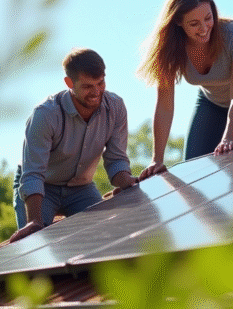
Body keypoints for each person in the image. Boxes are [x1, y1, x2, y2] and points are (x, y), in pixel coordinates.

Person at [136, 0, 233, 180]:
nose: (204, 28)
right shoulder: (169, 50)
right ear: (178, 22)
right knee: (193, 170)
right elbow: (165, 107)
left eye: (208, 18)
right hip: (212, 102)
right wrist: (157, 159)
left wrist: (229, 138)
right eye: (194, 24)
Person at [10, 48, 138, 243]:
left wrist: (128, 183)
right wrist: (35, 221)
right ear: (69, 83)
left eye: (101, 83)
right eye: (87, 86)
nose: (96, 92)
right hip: (42, 187)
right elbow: (33, 174)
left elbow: (116, 161)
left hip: (81, 189)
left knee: (107, 237)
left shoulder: (116, 107)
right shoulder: (45, 115)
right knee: (37, 243)